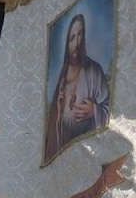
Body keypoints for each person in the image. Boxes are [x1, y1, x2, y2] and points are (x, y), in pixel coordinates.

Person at [43, 14, 110, 164]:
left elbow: (112, 111)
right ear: (67, 43)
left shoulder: (94, 71)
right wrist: (59, 114)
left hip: (91, 157)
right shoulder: (61, 81)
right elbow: (54, 136)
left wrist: (94, 111)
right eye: (72, 38)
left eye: (80, 35)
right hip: (66, 163)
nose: (77, 43)